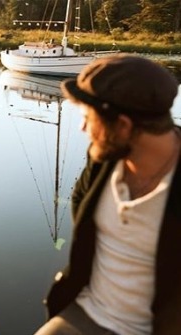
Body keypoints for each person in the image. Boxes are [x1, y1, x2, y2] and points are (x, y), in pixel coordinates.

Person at [34, 54, 181, 335]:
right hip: (88, 312)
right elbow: (80, 206)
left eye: (88, 119)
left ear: (124, 126)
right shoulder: (104, 157)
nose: (83, 128)